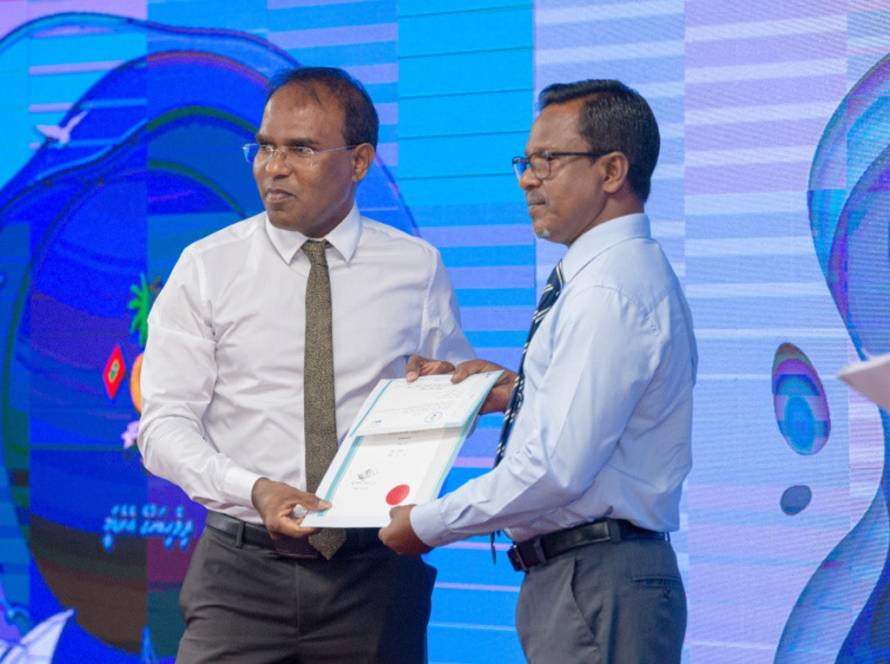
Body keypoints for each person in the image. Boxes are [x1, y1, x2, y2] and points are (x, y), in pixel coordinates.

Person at [138, 66, 473, 664]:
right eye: (265, 148)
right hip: (240, 574)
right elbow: (163, 427)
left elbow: (446, 394)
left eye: (301, 149)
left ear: (360, 161)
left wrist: (460, 392)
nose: (275, 167)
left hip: (372, 576)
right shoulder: (207, 268)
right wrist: (252, 489)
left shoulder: (416, 268)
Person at [380, 79, 697, 664]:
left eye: (547, 160)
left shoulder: (607, 289)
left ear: (611, 170)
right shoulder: (609, 273)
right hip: (589, 578)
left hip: (596, 578)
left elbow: (555, 468)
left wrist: (427, 524)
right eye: (525, 162)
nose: (527, 178)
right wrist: (519, 392)